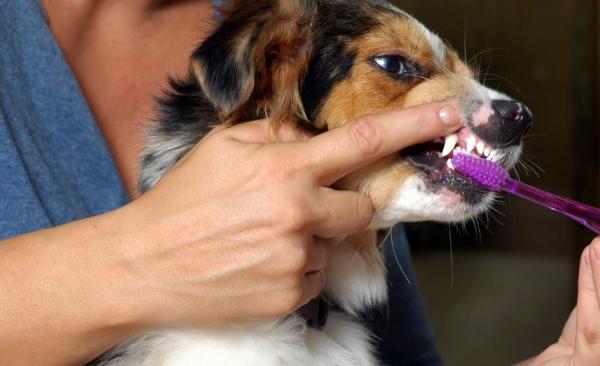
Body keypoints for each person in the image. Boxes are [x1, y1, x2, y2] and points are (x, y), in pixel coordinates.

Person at [0, 1, 598, 365]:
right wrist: (146, 263)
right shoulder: (289, 35)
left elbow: (407, 359)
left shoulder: (333, 17)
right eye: (397, 67)